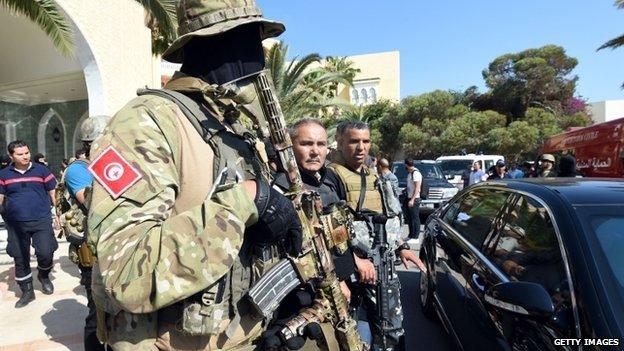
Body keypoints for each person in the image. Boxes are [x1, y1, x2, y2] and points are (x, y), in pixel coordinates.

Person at [86, 1, 302, 349]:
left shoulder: (229, 123)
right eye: (249, 37)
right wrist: (247, 199)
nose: (258, 53)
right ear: (214, 41)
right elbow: (125, 273)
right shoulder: (148, 121)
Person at [325, 120, 424, 350]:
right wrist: (350, 263)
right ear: (339, 142)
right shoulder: (331, 177)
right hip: (353, 270)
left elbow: (385, 218)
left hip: (381, 264)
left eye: (365, 141)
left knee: (390, 330)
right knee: (348, 334)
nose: (361, 147)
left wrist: (401, 247)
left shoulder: (371, 175)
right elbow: (327, 231)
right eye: (353, 141)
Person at [58, 116, 110, 350]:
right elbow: (93, 203)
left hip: (114, 246)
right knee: (96, 310)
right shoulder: (78, 170)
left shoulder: (108, 164)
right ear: (93, 142)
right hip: (91, 249)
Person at [0, 140, 59, 308]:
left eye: (27, 152)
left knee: (46, 252)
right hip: (15, 224)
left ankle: (44, 275)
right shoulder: (3, 175)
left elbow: (53, 192)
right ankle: (27, 291)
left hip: (41, 219)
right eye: (20, 154)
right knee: (20, 258)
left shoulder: (41, 170)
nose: (25, 156)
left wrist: (58, 214)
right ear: (11, 156)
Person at [404, 159, 422, 240]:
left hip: (414, 199)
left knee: (415, 218)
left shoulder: (416, 173)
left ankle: (415, 237)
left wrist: (412, 199)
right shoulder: (410, 173)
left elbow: (417, 188)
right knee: (409, 217)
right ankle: (411, 235)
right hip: (409, 197)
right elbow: (410, 186)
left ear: (406, 165)